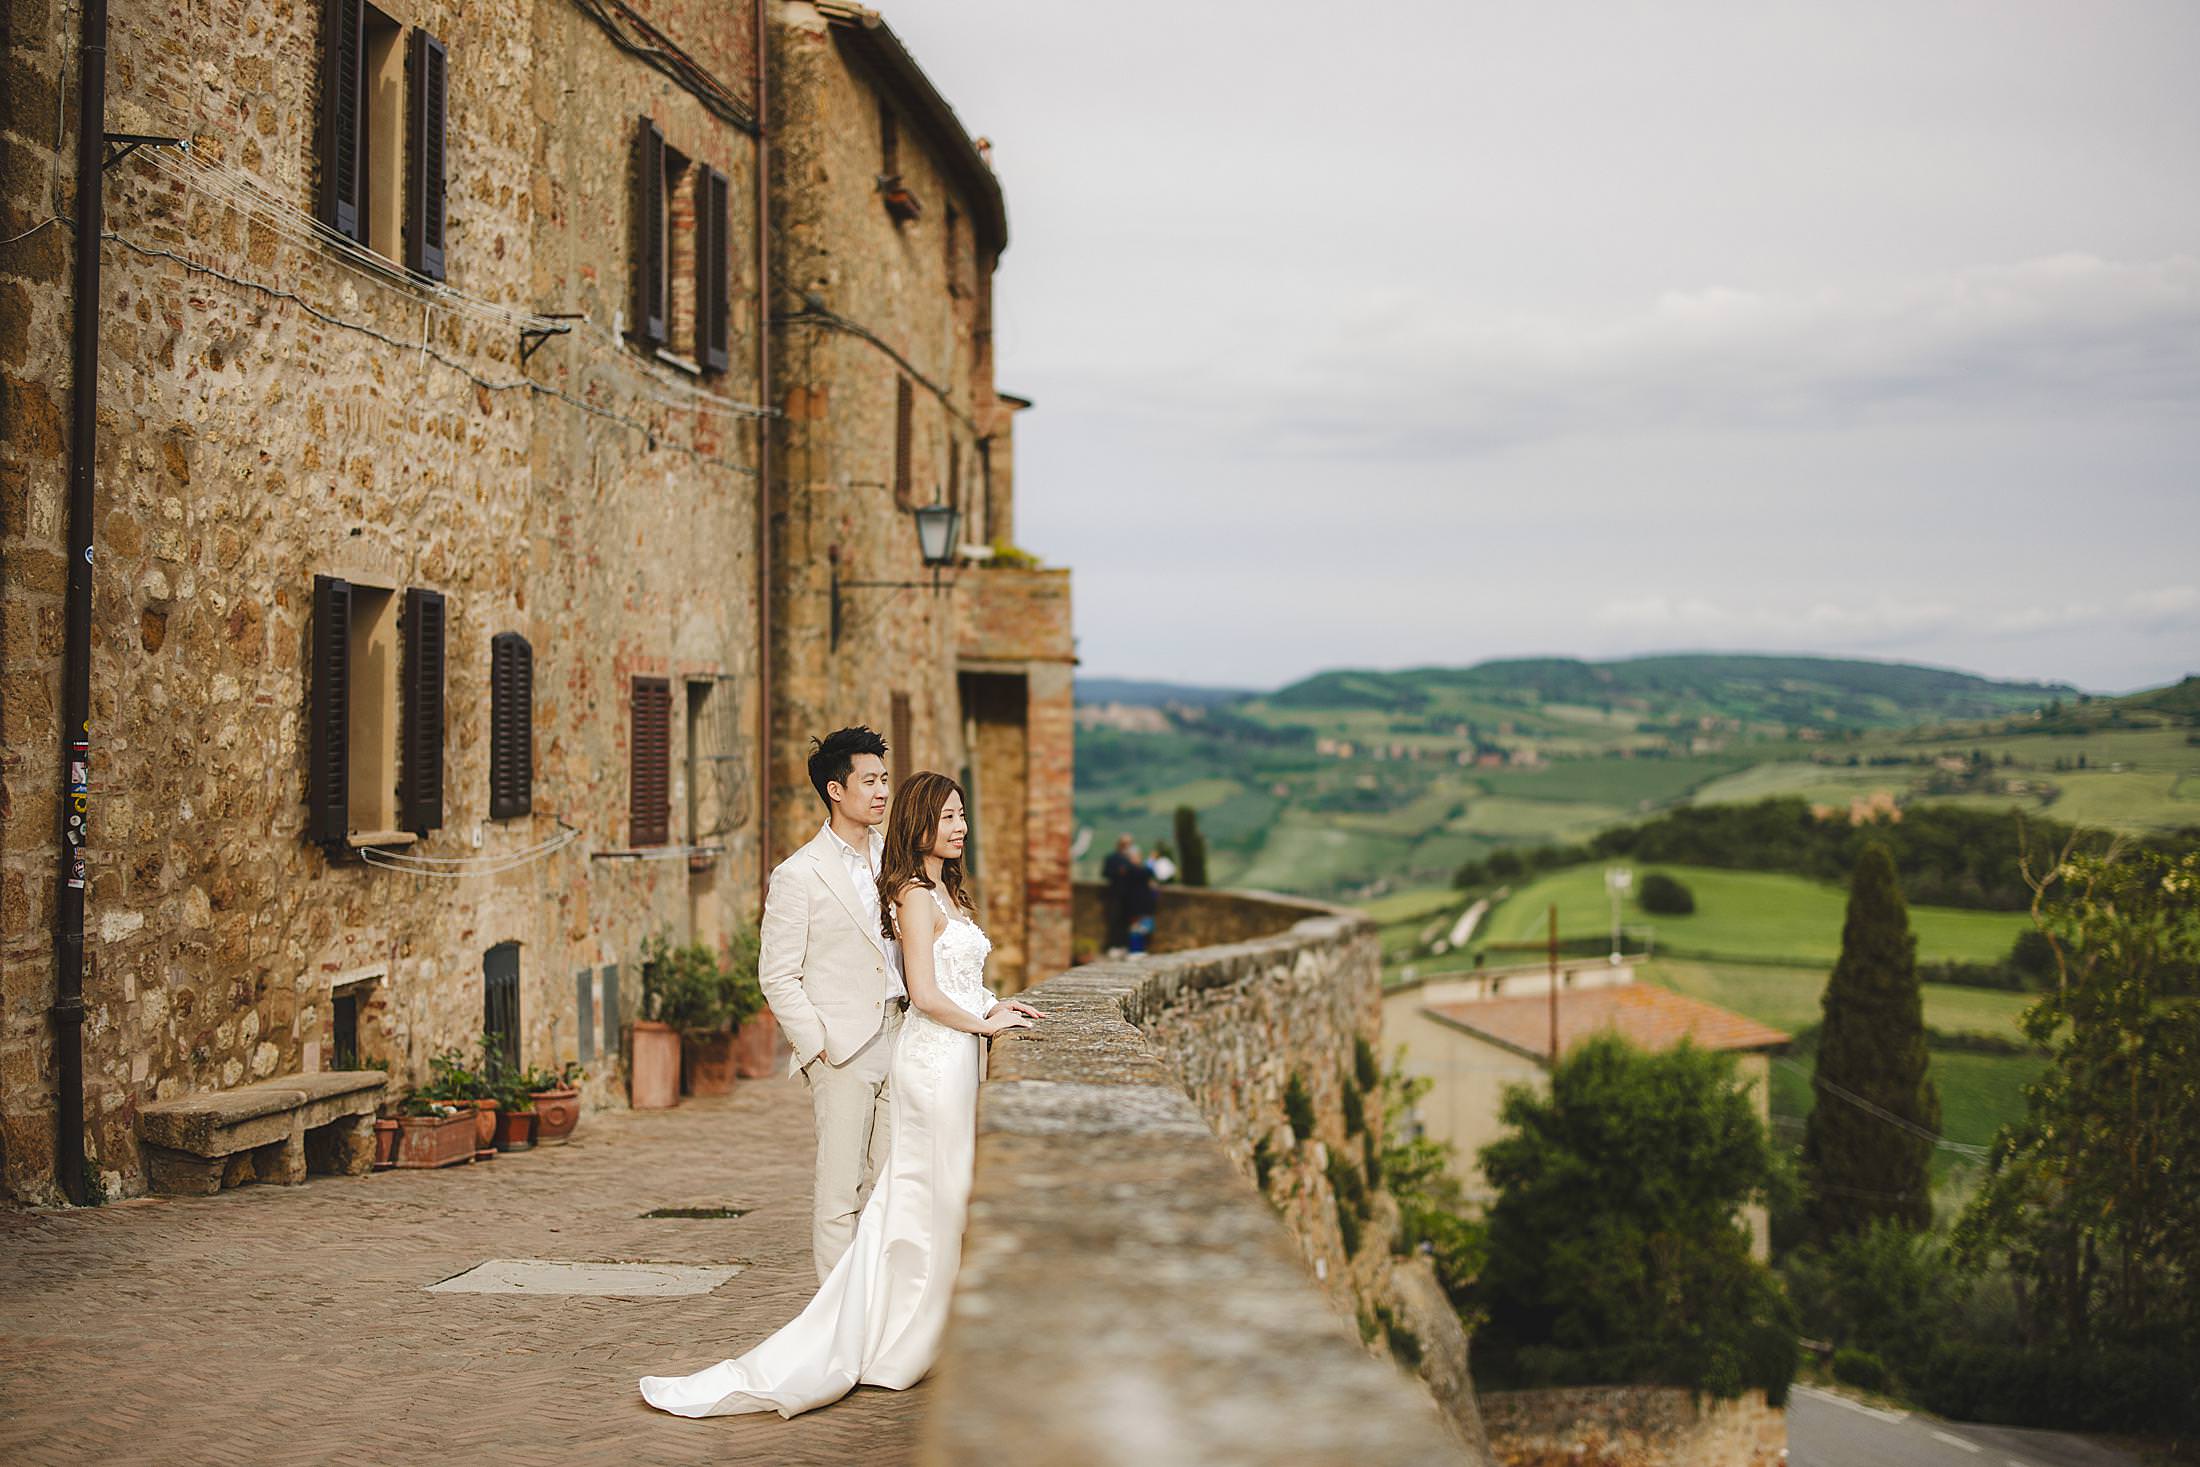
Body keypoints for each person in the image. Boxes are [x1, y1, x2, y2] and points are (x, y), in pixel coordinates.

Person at [639, 771, 1047, 1419]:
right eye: (947, 817)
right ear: (920, 824)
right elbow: (924, 990)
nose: (960, 826)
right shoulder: (915, 893)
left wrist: (998, 1004)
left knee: (936, 1197)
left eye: (962, 814)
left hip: (952, 1055)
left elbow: (958, 979)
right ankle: (896, 1341)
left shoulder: (943, 888)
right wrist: (984, 1024)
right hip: (935, 1060)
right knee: (928, 1197)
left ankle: (920, 1331)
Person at [752, 726, 903, 1284]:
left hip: (903, 1034)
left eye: (885, 779)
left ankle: (886, 1310)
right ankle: (838, 1324)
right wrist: (819, 1050)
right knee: (841, 1194)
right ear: (836, 790)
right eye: (869, 781)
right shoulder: (797, 874)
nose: (882, 791)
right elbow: (777, 974)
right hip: (842, 1050)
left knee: (895, 1185)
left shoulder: (898, 859)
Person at [1099, 833, 1141, 952]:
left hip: (1130, 895)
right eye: (1124, 844)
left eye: (1129, 843)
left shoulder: (1131, 859)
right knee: (1115, 920)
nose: (1126, 846)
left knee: (1127, 921)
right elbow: (1105, 873)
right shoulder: (1111, 858)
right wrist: (1118, 872)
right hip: (1116, 894)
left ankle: (1125, 945)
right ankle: (1114, 945)